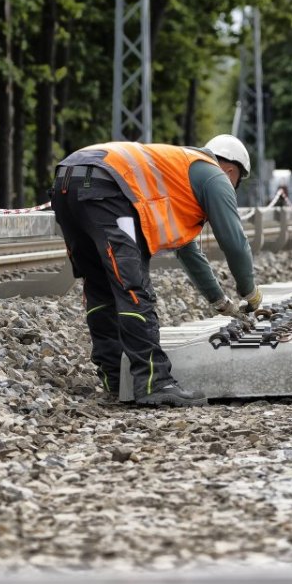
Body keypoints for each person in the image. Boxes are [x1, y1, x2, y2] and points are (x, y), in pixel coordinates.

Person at [49, 135, 263, 406]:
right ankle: (154, 383)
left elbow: (189, 253)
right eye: (235, 184)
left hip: (67, 181)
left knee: (100, 287)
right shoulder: (214, 175)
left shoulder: (178, 173)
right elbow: (234, 242)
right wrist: (250, 291)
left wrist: (219, 301)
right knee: (133, 288)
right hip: (106, 187)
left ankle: (116, 379)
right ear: (231, 171)